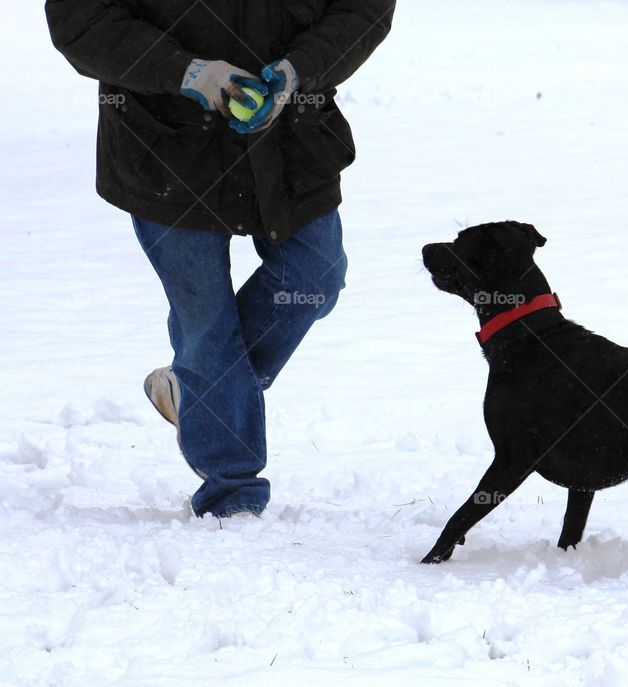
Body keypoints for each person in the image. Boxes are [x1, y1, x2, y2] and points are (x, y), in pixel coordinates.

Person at [46, 1, 395, 519]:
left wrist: (301, 70)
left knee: (313, 277)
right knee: (206, 323)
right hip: (167, 151)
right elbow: (80, 18)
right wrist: (185, 72)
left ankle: (197, 392)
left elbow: (363, 8)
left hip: (291, 143)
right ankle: (233, 493)